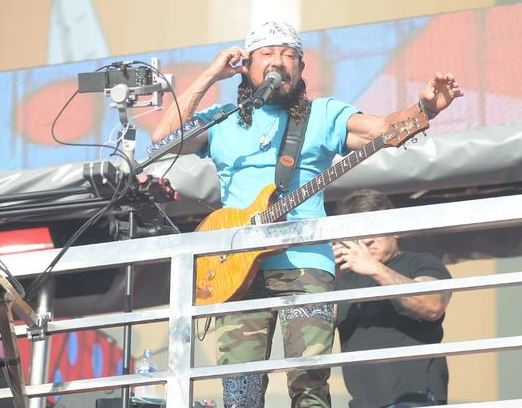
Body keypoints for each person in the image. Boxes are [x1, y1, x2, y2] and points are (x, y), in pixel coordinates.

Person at [151, 21, 462, 408]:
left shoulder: (323, 115)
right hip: (233, 266)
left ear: (301, 68)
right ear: (246, 66)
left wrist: (425, 108)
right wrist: (212, 72)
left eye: (289, 55)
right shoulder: (222, 119)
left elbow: (383, 129)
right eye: (267, 54)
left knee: (310, 381)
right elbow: (161, 141)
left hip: (305, 266)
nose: (278, 62)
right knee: (239, 392)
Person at [333, 189, 452, 407]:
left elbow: (433, 304)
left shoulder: (419, 262)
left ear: (395, 230)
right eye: (357, 234)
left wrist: (375, 269)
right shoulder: (343, 280)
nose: (367, 240)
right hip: (362, 402)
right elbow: (315, 329)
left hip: (413, 397)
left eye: (374, 229)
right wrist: (327, 275)